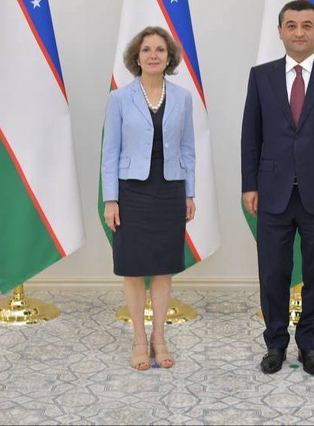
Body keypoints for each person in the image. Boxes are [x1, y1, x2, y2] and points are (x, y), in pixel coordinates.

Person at [241, 0, 314, 376]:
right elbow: (251, 136)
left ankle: (310, 345)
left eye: (306, 25)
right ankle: (275, 344)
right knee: (272, 275)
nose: (298, 32)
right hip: (272, 191)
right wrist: (249, 184)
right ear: (280, 31)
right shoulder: (261, 76)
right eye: (291, 25)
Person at [102, 26, 196, 371]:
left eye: (160, 49)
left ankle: (159, 338)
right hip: (131, 193)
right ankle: (139, 340)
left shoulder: (183, 98)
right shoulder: (119, 99)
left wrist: (189, 193)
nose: (153, 55)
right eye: (146, 50)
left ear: (169, 57)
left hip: (170, 191)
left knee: (162, 268)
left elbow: (188, 149)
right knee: (132, 268)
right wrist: (110, 200)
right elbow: (109, 152)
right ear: (136, 57)